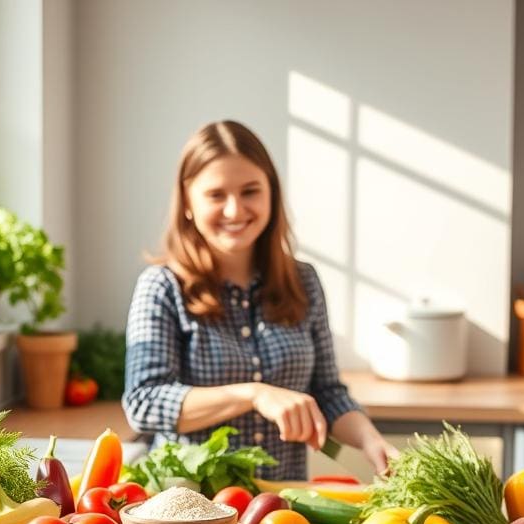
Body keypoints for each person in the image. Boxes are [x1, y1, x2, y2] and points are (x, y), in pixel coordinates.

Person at [122, 120, 395, 480]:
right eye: (216, 195)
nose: (235, 210)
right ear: (188, 201)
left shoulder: (304, 282)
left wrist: (371, 440)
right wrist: (254, 395)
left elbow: (328, 392)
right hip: (192, 509)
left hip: (282, 510)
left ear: (271, 194)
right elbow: (144, 402)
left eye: (250, 191)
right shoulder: (161, 287)